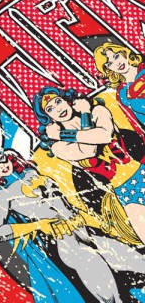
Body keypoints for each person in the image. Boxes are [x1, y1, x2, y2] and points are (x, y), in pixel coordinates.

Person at [0, 144, 145, 303]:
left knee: (138, 262)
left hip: (84, 229)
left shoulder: (31, 172)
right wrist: (38, 225)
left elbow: (64, 199)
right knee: (108, 293)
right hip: (67, 242)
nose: (2, 166)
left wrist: (83, 216)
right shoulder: (3, 196)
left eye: (1, 159)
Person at [33, 86, 145, 245]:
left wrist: (79, 119)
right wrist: (65, 132)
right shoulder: (58, 147)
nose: (58, 109)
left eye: (58, 102)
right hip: (125, 192)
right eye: (50, 109)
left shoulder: (97, 111)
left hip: (141, 172)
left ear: (67, 100)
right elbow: (89, 150)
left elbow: (104, 136)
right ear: (48, 117)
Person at [94, 42, 145, 133]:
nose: (117, 64)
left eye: (116, 57)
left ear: (123, 53)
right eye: (110, 64)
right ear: (108, 70)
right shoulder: (122, 93)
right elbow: (137, 124)